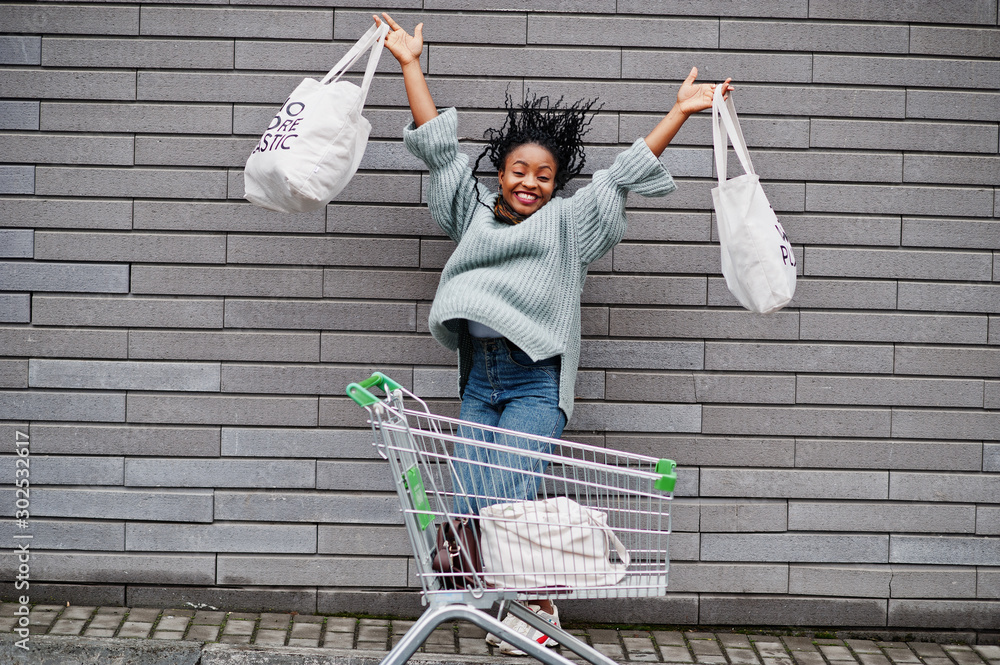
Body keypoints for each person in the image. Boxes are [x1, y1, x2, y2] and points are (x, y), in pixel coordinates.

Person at [374, 12, 732, 656]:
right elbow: (436, 146)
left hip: (534, 379)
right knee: (477, 502)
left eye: (543, 175)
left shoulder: (569, 223)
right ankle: (526, 606)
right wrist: (410, 65)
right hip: (480, 379)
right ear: (501, 170)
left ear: (556, 181)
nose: (529, 183)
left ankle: (534, 609)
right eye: (518, 170)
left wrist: (677, 114)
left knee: (506, 499)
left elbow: (621, 177)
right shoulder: (474, 210)